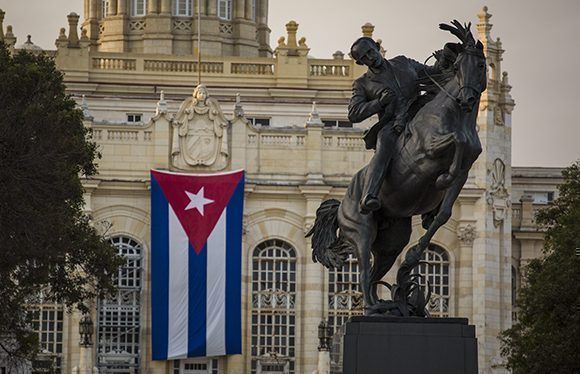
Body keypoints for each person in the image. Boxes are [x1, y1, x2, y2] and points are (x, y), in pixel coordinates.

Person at [348, 37, 442, 214]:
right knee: (383, 148)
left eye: (370, 51)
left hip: (420, 114)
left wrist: (443, 61)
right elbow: (354, 113)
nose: (370, 57)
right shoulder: (362, 83)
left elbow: (432, 73)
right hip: (394, 125)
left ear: (377, 47)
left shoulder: (403, 62)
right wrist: (379, 103)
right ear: (360, 62)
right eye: (364, 57)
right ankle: (370, 194)